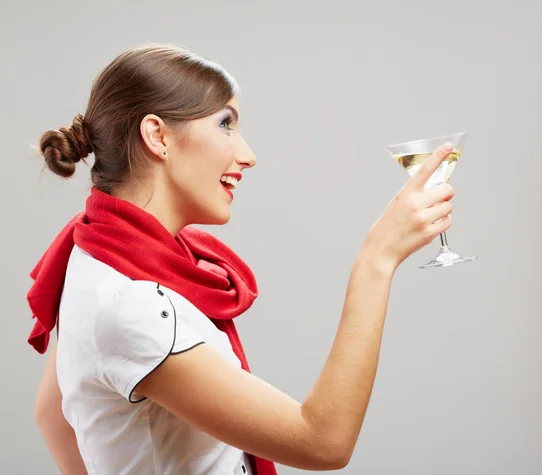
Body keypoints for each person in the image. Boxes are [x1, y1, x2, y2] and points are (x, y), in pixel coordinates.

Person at [29, 43, 456, 475]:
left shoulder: (95, 257)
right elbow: (323, 442)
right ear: (157, 136)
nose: (247, 155)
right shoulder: (130, 305)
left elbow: (54, 415)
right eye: (226, 124)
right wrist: (377, 260)